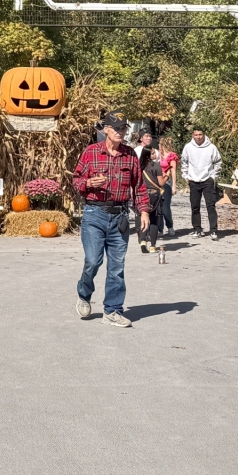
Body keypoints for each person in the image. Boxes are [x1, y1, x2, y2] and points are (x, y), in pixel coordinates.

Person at [73, 110, 150, 328]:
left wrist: (144, 211)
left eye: (123, 128)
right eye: (116, 128)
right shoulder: (91, 152)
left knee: (117, 267)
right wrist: (88, 184)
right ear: (106, 129)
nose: (120, 132)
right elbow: (76, 179)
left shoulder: (130, 155)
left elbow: (139, 186)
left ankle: (112, 310)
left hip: (120, 217)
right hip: (94, 214)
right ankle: (84, 295)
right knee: (93, 261)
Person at [181, 126, 222, 241]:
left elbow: (218, 162)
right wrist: (186, 176)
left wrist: (213, 177)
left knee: (211, 206)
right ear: (192, 135)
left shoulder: (211, 147)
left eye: (200, 135)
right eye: (196, 135)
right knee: (195, 206)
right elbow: (184, 162)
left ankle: (213, 230)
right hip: (193, 180)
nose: (198, 137)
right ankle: (197, 229)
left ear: (204, 135)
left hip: (207, 180)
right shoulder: (188, 147)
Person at [137, 146, 166, 253]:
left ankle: (143, 240)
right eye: (153, 153)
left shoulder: (138, 165)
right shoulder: (156, 165)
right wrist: (167, 177)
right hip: (154, 194)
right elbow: (161, 183)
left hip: (142, 193)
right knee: (154, 219)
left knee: (144, 217)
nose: (155, 155)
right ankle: (153, 246)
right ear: (148, 155)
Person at [157, 137, 179, 239]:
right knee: (158, 207)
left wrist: (174, 185)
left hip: (167, 182)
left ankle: (170, 226)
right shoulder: (157, 154)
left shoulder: (171, 155)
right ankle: (159, 229)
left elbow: (173, 171)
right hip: (156, 182)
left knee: (165, 207)